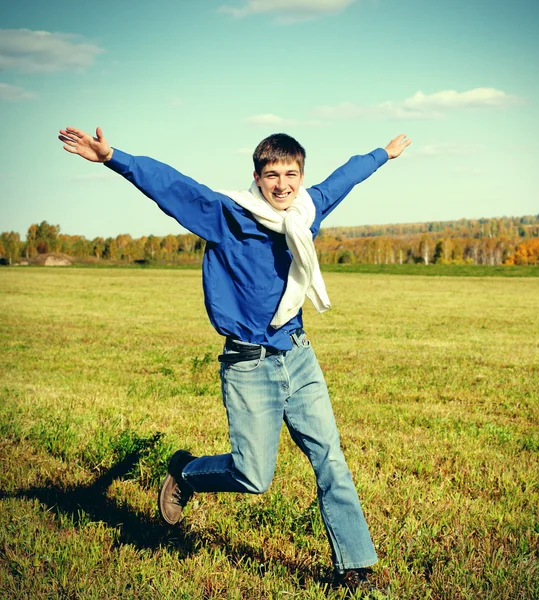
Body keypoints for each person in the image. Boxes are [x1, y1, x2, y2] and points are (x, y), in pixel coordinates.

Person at [58, 125, 411, 591]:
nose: (282, 184)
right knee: (252, 476)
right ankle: (185, 472)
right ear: (257, 176)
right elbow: (171, 185)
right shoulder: (226, 215)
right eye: (272, 174)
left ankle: (354, 567)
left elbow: (345, 178)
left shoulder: (306, 211)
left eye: (291, 174)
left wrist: (382, 154)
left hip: (299, 356)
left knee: (332, 461)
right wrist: (112, 157)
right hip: (248, 365)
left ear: (301, 177)